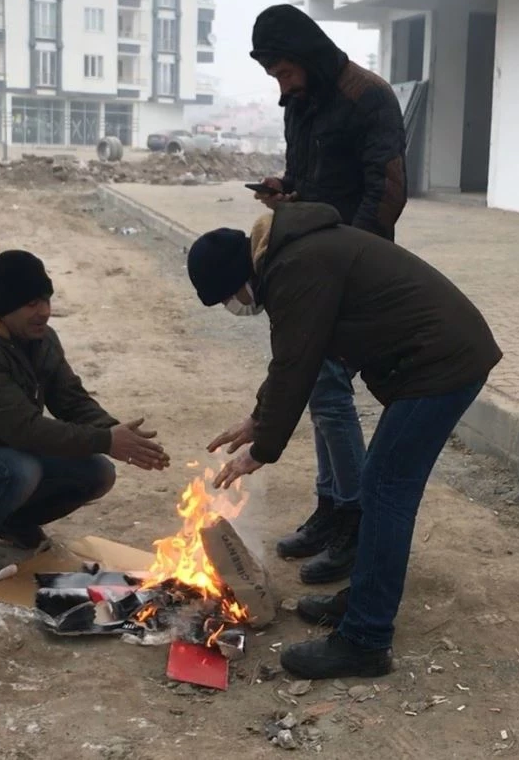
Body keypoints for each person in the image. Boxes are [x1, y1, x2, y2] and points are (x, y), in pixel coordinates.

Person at [187, 203, 501, 679]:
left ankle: (365, 639)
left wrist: (261, 450)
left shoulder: (298, 266)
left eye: (228, 296)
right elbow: (300, 355)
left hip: (440, 363)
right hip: (432, 359)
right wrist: (257, 419)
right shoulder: (295, 257)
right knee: (380, 487)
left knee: (384, 491)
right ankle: (364, 600)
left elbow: (295, 364)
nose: (236, 306)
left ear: (239, 276)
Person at [246, 4, 409, 585]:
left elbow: (386, 191)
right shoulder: (303, 101)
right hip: (315, 256)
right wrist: (284, 190)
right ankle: (331, 507)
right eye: (275, 78)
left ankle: (353, 521)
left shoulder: (370, 96)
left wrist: (349, 258)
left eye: (286, 73)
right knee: (320, 390)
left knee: (331, 392)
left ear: (308, 56)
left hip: (351, 265)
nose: (283, 86)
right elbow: (307, 179)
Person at [0, 250, 170, 588]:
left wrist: (115, 433)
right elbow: (25, 431)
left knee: (96, 471)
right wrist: (107, 441)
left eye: (46, 299)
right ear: (5, 306)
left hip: (6, 458)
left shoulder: (41, 340)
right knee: (17, 469)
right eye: (31, 303)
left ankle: (9, 522)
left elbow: (71, 400)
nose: (44, 311)